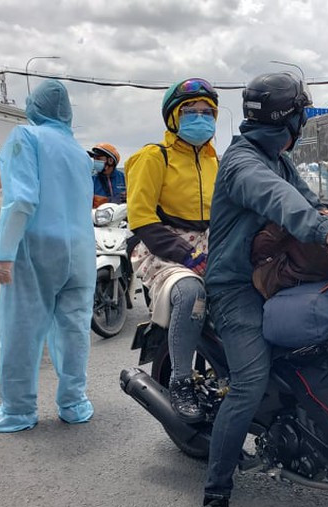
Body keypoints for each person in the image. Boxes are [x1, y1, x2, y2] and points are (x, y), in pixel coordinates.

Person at [202, 72, 328, 507]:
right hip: (235, 287)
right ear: (289, 118)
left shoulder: (277, 159)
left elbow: (308, 202)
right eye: (299, 113)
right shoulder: (242, 163)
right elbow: (280, 201)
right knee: (250, 381)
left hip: (274, 275)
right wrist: (323, 232)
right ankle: (215, 499)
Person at [0, 80, 96, 433]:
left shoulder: (27, 137)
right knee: (73, 330)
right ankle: (73, 402)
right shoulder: (78, 151)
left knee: (20, 329)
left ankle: (18, 410)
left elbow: (21, 199)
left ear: (33, 106)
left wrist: (3, 254)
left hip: (37, 247)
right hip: (82, 250)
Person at [125, 78, 218, 422]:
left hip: (208, 243)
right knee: (191, 292)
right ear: (173, 118)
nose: (200, 118)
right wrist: (189, 257)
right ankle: (180, 380)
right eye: (190, 111)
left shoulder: (215, 161)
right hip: (161, 246)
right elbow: (142, 218)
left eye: (207, 112)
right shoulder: (153, 157)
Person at [90, 142, 127, 207]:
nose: (95, 161)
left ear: (110, 161)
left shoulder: (125, 179)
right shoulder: (91, 181)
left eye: (98, 159)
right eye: (94, 159)